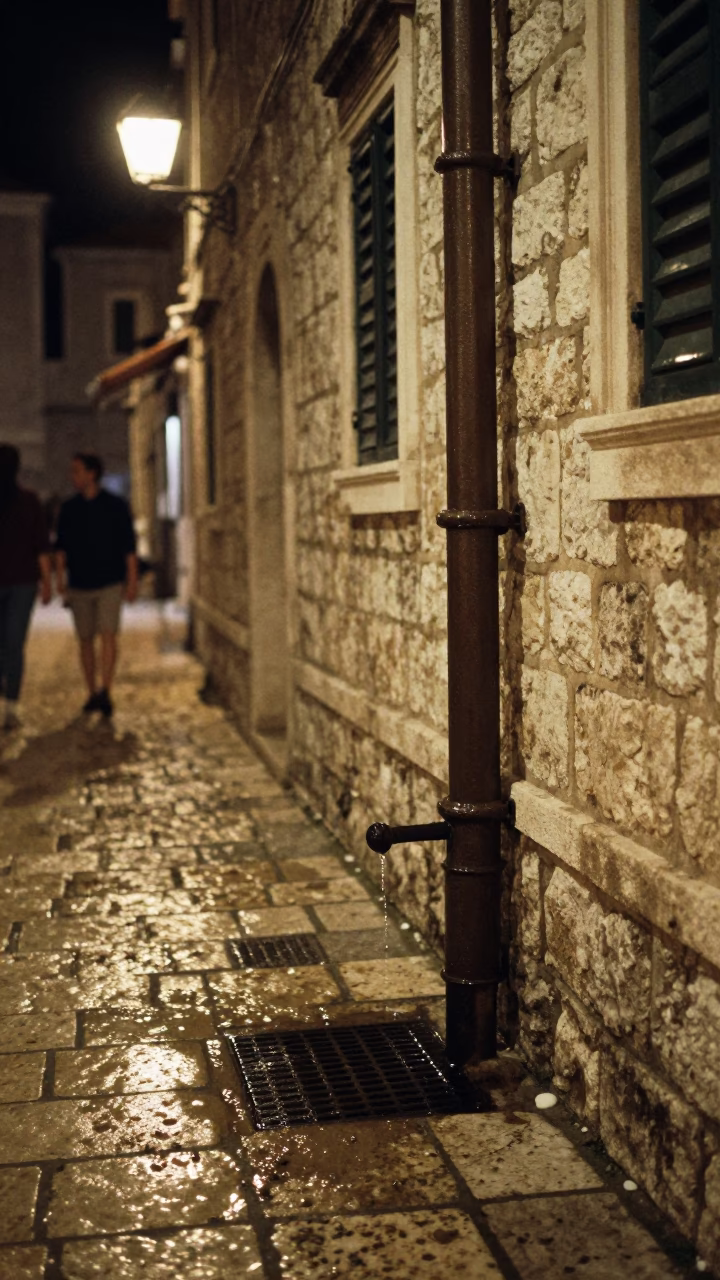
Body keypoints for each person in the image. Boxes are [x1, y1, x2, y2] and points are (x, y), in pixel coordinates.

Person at [56, 453, 138, 717]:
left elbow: (129, 546)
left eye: (77, 471)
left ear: (92, 473)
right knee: (85, 640)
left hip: (110, 581)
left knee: (108, 635)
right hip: (79, 583)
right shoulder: (68, 509)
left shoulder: (115, 506)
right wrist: (61, 581)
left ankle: (106, 689)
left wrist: (132, 580)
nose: (73, 477)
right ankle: (91, 691)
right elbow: (61, 549)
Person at [0, 444, 52, 729]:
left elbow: (41, 545)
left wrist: (47, 583)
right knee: (14, 643)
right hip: (23, 582)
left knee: (11, 643)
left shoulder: (29, 502)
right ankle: (11, 704)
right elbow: (41, 546)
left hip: (21, 582)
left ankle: (10, 703)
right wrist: (47, 583)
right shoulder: (29, 500)